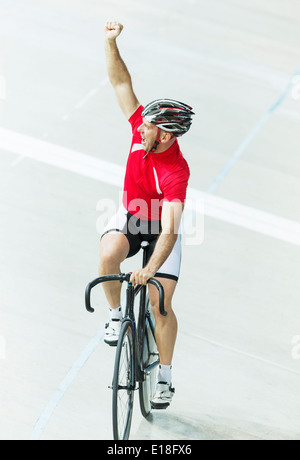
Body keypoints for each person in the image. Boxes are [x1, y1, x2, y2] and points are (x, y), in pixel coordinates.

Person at [99, 21, 194, 409]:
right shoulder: (142, 130)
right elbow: (121, 83)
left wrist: (150, 269)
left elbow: (169, 231)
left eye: (151, 127)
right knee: (108, 255)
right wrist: (110, 42)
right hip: (132, 213)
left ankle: (166, 378)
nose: (143, 128)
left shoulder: (176, 173)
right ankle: (116, 314)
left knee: (160, 304)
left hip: (161, 231)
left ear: (167, 136)